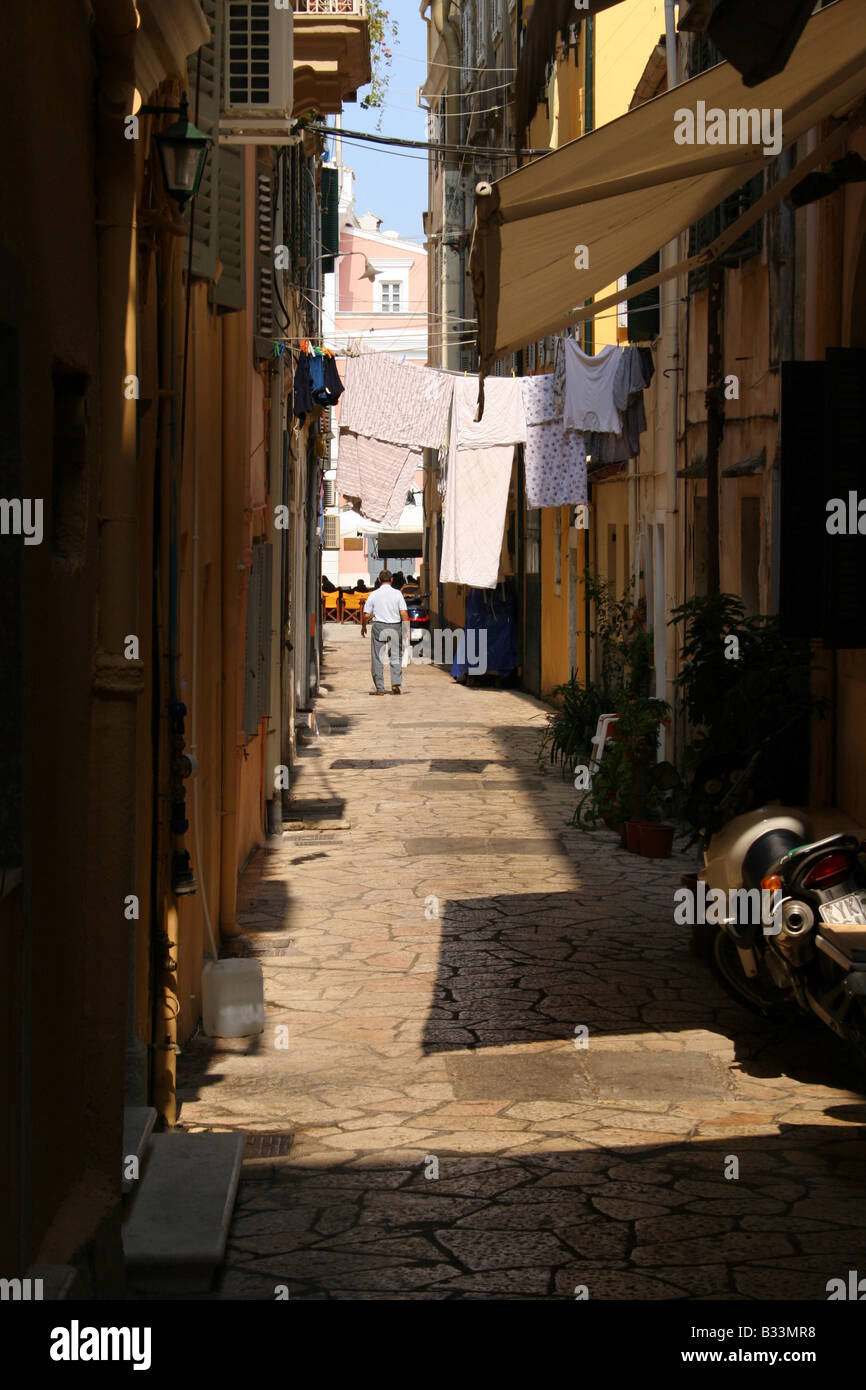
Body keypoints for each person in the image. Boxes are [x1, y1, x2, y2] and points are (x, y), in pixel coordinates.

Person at [361, 568, 409, 695]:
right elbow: (403, 612)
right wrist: (407, 629)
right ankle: (395, 683)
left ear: (379, 580)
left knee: (377, 657)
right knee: (395, 656)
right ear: (391, 580)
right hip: (395, 627)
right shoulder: (398, 594)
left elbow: (366, 615)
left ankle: (380, 688)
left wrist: (363, 626)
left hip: (379, 627)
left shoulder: (373, 594)